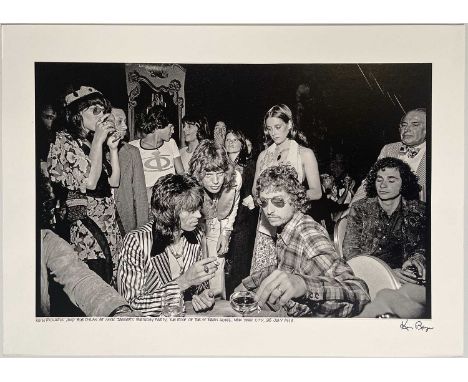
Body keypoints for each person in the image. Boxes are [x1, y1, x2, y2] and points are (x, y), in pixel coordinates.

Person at [237, 164, 370, 317]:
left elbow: (360, 293)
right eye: (264, 202)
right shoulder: (286, 228)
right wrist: (248, 283)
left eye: (278, 201)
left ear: (294, 199)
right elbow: (283, 268)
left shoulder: (308, 234)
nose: (269, 210)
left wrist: (305, 285)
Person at [38, 169, 139, 317]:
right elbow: (90, 183)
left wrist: (118, 310)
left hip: (106, 226)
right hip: (87, 233)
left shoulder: (47, 240)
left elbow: (81, 279)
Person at [47, 86, 123, 284]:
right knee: (96, 278)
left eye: (104, 111)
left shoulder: (89, 142)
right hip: (87, 224)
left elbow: (114, 182)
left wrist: (113, 149)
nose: (102, 116)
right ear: (77, 114)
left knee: (112, 277)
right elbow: (89, 182)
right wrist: (99, 140)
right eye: (95, 110)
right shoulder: (64, 141)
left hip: (108, 221)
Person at [117, 174, 219, 316]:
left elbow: (200, 285)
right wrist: (183, 282)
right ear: (169, 212)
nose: (198, 215)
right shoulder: (136, 242)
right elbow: (130, 305)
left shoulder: (197, 234)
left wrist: (203, 295)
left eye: (198, 208)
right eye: (191, 210)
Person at [251, 104, 322, 273]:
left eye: (278, 127)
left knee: (287, 277)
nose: (273, 133)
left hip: (292, 223)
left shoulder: (304, 153)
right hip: (266, 224)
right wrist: (262, 199)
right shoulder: (263, 155)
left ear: (289, 124)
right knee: (263, 277)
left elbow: (317, 192)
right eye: (269, 129)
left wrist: (289, 197)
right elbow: (255, 190)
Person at [342, 157, 427, 285]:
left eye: (391, 180)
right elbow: (351, 253)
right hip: (369, 277)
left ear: (404, 183)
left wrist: (417, 259)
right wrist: (389, 273)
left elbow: (425, 243)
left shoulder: (418, 210)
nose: (383, 185)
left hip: (407, 277)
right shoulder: (360, 209)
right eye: (379, 179)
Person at [189, 139, 242, 298]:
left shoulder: (235, 178)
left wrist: (225, 233)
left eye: (219, 174)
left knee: (217, 272)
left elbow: (232, 208)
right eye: (209, 175)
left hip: (217, 225)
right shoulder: (190, 184)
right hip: (195, 227)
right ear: (198, 174)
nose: (216, 181)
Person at [352, 108, 427, 203]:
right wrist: (354, 206)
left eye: (415, 124)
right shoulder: (389, 149)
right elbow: (369, 181)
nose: (407, 129)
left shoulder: (437, 153)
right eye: (404, 125)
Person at [223, 129, 259, 298]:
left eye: (235, 140)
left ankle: (238, 296)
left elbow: (253, 189)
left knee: (240, 259)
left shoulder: (248, 164)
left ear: (242, 143)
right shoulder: (220, 163)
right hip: (223, 217)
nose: (230, 142)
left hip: (243, 219)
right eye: (228, 139)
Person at [129, 106, 184, 202]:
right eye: (170, 127)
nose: (173, 131)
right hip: (146, 201)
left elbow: (181, 173)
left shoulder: (171, 143)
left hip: (169, 199)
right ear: (158, 126)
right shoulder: (132, 147)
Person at [111, 107, 149, 235]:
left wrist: (143, 232)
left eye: (125, 121)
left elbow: (140, 195)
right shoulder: (93, 152)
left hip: (126, 224)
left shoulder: (131, 152)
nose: (126, 126)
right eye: (120, 121)